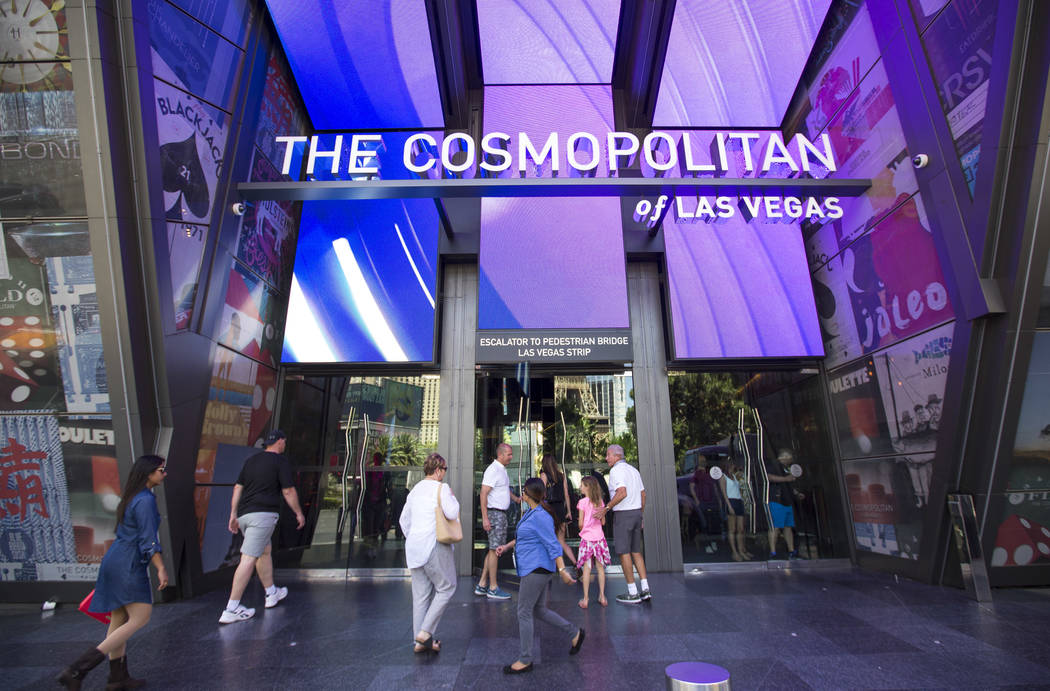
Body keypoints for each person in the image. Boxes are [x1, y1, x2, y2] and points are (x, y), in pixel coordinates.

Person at [58, 455, 170, 690]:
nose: (164, 473)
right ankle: (77, 669)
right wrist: (160, 568)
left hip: (115, 559)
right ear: (148, 473)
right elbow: (148, 540)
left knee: (119, 619)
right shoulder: (145, 500)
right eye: (161, 469)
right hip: (128, 564)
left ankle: (117, 678)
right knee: (141, 617)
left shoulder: (131, 497)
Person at [496, 477, 585, 674]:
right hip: (534, 567)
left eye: (524, 491)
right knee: (539, 610)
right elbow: (524, 536)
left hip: (536, 568)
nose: (522, 493)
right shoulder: (532, 512)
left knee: (524, 611)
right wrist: (507, 546)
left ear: (529, 494)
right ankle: (575, 633)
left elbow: (553, 545)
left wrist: (562, 570)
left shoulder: (541, 516)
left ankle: (525, 659)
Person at [219, 430, 305, 623]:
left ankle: (271, 592)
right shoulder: (280, 461)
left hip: (245, 515)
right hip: (263, 516)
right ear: (280, 442)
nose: (285, 445)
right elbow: (288, 490)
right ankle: (231, 607)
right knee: (249, 558)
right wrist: (298, 513)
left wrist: (233, 514)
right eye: (284, 441)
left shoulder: (251, 461)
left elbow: (237, 487)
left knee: (264, 552)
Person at [399, 453, 459, 654]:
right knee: (447, 587)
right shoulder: (441, 488)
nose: (445, 473)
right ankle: (425, 632)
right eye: (445, 469)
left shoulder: (415, 491)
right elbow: (452, 513)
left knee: (421, 597)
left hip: (414, 548)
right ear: (438, 469)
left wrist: (413, 536)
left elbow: (403, 521)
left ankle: (420, 642)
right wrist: (451, 496)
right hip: (433, 544)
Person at [595, 444, 649, 604]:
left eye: (608, 455)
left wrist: (606, 508)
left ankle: (632, 592)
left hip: (623, 515)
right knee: (636, 552)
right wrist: (641, 514)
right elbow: (643, 494)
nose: (606, 458)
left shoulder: (616, 471)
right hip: (636, 513)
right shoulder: (633, 470)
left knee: (624, 552)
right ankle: (645, 589)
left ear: (617, 456)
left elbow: (622, 492)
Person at [475, 442, 520, 600]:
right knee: (495, 550)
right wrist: (485, 518)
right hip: (495, 514)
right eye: (509, 454)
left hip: (500, 515)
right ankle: (493, 587)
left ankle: (482, 584)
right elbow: (483, 493)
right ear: (500, 454)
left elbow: (504, 489)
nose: (511, 457)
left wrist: (516, 499)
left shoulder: (501, 470)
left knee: (493, 549)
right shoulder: (493, 470)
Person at [575, 475, 610, 608]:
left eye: (582, 485)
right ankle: (602, 596)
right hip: (599, 538)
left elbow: (580, 523)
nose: (580, 487)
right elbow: (603, 522)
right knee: (601, 568)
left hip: (587, 539)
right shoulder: (600, 501)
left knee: (587, 568)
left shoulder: (582, 502)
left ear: (588, 487)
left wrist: (584, 529)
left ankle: (585, 599)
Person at [539, 453, 577, 570]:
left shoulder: (544, 475)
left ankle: (550, 567)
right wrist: (569, 511)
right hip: (560, 510)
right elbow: (566, 494)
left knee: (547, 539)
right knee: (561, 541)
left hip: (549, 510)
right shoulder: (562, 476)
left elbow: (542, 493)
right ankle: (576, 564)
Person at [767, 449, 800, 559]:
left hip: (787, 500)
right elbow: (768, 477)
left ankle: (791, 550)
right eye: (789, 457)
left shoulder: (786, 468)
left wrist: (796, 493)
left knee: (788, 526)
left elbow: (788, 483)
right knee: (775, 526)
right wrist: (785, 479)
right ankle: (773, 552)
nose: (789, 460)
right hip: (777, 500)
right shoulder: (774, 465)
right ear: (783, 456)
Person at [719, 460, 751, 561]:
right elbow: (724, 493)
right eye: (732, 465)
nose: (734, 466)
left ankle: (741, 550)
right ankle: (734, 552)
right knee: (732, 529)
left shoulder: (734, 476)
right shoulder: (723, 477)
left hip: (739, 501)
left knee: (741, 529)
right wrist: (729, 506)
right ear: (728, 466)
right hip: (731, 501)